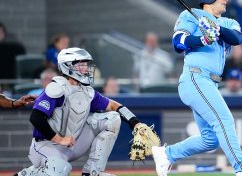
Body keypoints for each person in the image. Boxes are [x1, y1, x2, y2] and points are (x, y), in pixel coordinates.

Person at [152, 0, 242, 176]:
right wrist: (201, 38)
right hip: (195, 77)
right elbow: (178, 42)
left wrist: (214, 27)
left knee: (210, 140)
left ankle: (167, 154)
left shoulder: (228, 21)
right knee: (224, 120)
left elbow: (237, 38)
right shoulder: (189, 15)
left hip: (211, 83)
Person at [14, 47, 146, 176]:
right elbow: (36, 118)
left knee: (112, 119)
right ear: (67, 66)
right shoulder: (56, 88)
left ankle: (93, 172)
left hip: (72, 143)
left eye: (86, 64)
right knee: (60, 170)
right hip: (46, 145)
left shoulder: (87, 91)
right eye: (81, 64)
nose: (86, 68)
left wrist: (134, 122)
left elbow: (113, 105)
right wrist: (60, 140)